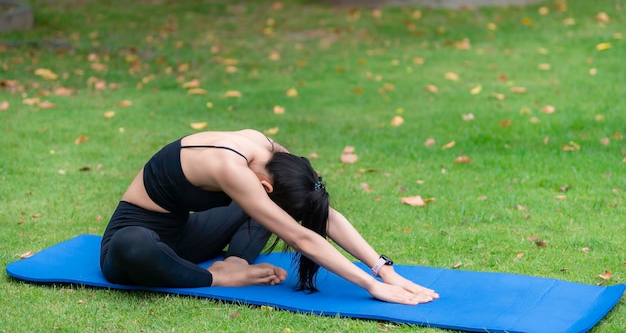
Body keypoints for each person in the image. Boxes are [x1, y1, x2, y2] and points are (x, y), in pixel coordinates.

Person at [100, 129, 439, 305]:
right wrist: (370, 286)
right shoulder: (229, 166)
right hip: (134, 240)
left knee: (271, 212)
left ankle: (234, 261)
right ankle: (222, 277)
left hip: (182, 235)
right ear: (264, 184)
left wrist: (383, 269)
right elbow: (300, 236)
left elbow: (322, 214)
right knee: (135, 245)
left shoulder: (268, 150)